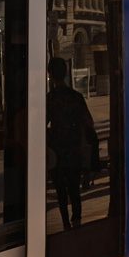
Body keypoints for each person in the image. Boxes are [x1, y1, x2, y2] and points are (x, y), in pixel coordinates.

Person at [46, 57, 96, 230]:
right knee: (74, 189)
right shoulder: (76, 97)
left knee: (60, 190)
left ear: (50, 75)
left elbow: (42, 125)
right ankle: (77, 220)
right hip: (74, 149)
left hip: (57, 150)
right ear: (66, 73)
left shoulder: (50, 98)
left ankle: (66, 222)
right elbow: (89, 122)